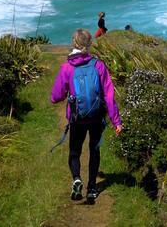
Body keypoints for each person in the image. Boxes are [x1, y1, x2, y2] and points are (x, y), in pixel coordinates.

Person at [51, 29, 123, 202]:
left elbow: (56, 96)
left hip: (77, 119)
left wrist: (60, 97)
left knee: (75, 152)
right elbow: (109, 95)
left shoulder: (67, 67)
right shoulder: (98, 65)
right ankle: (92, 188)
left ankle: (76, 179)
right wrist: (116, 121)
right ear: (89, 44)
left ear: (74, 43)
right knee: (94, 151)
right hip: (97, 117)